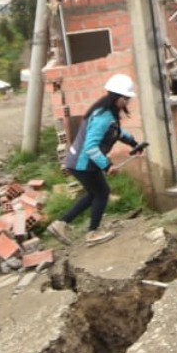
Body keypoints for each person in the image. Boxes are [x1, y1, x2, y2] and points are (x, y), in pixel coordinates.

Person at [48, 73, 145, 247]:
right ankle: (92, 233)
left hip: (78, 162)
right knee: (102, 193)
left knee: (93, 194)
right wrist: (107, 166)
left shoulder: (107, 112)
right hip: (83, 163)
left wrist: (133, 143)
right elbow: (91, 146)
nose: (128, 102)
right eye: (126, 98)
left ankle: (60, 224)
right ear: (118, 97)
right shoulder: (103, 117)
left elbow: (116, 132)